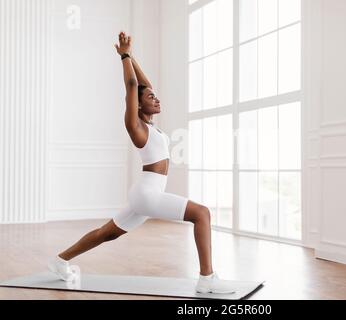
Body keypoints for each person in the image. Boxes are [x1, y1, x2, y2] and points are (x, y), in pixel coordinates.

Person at [47, 32, 235, 295]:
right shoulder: (135, 125)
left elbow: (144, 84)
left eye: (156, 97)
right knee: (201, 214)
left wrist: (131, 56)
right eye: (151, 98)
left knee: (106, 233)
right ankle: (207, 278)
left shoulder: (149, 125)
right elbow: (133, 86)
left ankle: (59, 261)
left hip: (145, 194)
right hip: (148, 194)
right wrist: (124, 56)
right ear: (137, 106)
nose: (156, 99)